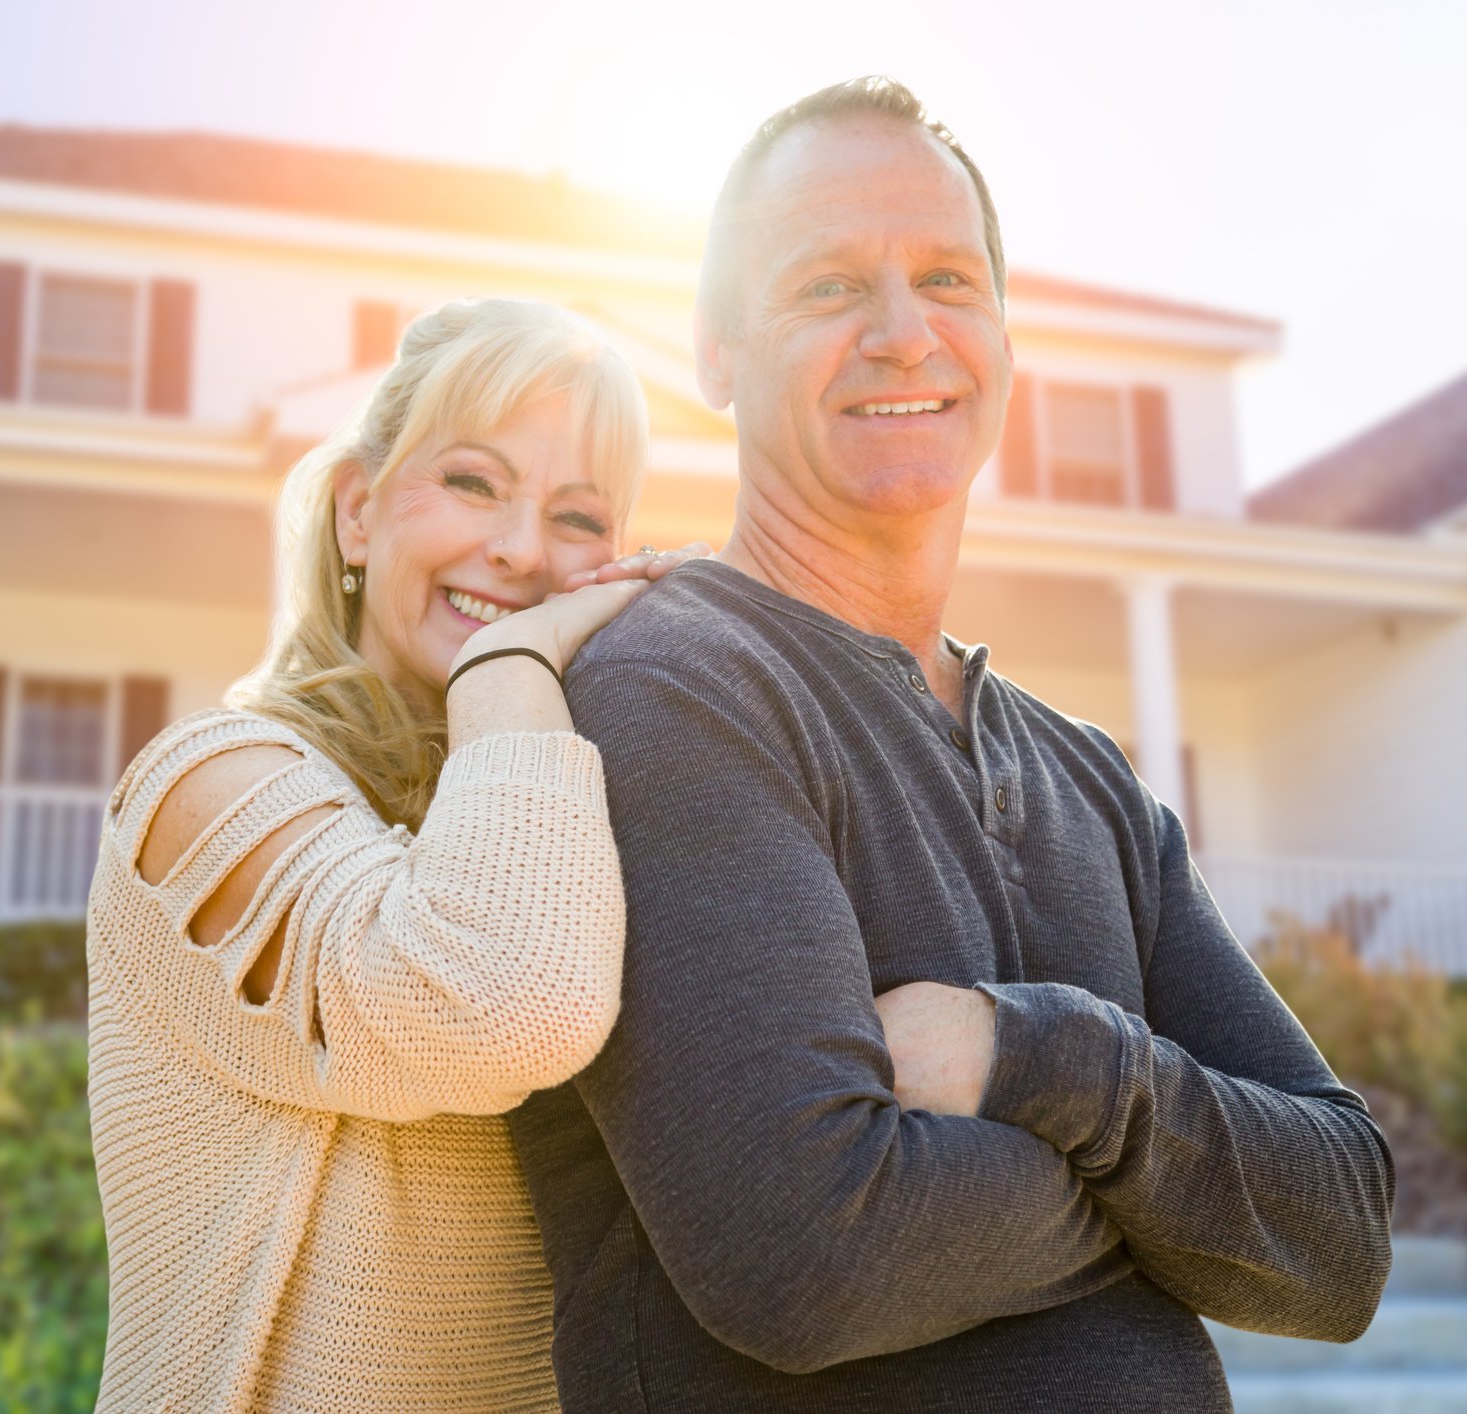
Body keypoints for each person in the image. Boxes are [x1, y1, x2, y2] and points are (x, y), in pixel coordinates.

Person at [508, 76, 1395, 1411]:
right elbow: (809, 1253)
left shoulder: (1090, 779)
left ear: (1003, 336)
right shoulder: (675, 692)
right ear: (713, 353)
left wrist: (1035, 1057)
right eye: (825, 287)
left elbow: (1342, 1235)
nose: (903, 333)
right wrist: (1178, 1215)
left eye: (947, 279)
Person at [85, 297, 698, 1411]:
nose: (520, 549)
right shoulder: (209, 787)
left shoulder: (576, 829)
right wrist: (516, 662)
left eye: (578, 517)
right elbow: (504, 1004)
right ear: (359, 513)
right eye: (472, 483)